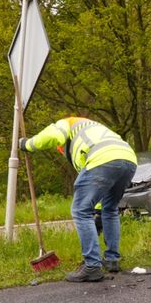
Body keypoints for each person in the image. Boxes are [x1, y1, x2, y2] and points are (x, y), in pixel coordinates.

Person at [19, 117, 137, 282]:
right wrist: (96, 209)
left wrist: (27, 144)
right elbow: (97, 185)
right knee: (109, 209)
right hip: (128, 159)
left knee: (80, 211)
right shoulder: (93, 128)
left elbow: (52, 136)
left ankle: (92, 266)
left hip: (102, 158)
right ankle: (112, 260)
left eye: (61, 149)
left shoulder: (67, 123)